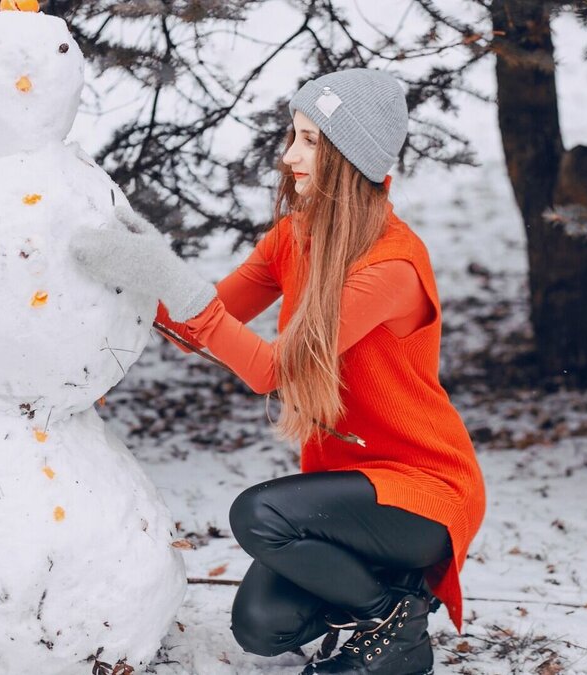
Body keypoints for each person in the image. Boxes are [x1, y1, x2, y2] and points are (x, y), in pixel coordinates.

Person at [69, 68, 485, 675]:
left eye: (311, 141)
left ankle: (392, 626)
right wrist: (133, 272)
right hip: (348, 494)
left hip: (422, 491)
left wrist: (166, 274)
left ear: (350, 156)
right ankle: (397, 595)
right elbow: (200, 326)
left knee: (258, 515)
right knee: (262, 627)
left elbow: (271, 370)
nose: (290, 155)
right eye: (293, 135)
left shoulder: (392, 267)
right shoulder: (295, 236)